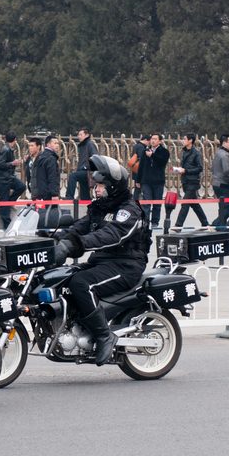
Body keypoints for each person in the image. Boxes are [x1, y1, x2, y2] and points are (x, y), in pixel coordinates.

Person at [54, 155, 148, 366]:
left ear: (113, 186)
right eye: (95, 186)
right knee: (63, 278)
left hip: (126, 264)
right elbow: (80, 227)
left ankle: (104, 335)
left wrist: (75, 245)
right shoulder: (100, 208)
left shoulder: (128, 210)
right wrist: (56, 239)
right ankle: (76, 326)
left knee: (81, 283)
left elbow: (113, 235)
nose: (96, 190)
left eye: (100, 186)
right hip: (103, 262)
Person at [174, 134, 209, 229]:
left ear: (190, 140)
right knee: (194, 204)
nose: (182, 140)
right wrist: (180, 170)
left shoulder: (196, 153)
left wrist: (186, 171)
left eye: (184, 138)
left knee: (185, 203)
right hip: (185, 181)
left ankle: (178, 226)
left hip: (193, 182)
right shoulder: (184, 151)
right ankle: (205, 223)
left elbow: (200, 168)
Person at [135, 133, 170, 229]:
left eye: (155, 139)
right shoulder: (145, 151)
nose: (153, 140)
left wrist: (152, 155)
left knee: (157, 203)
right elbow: (141, 166)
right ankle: (145, 221)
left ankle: (155, 222)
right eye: (152, 139)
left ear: (160, 141)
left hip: (158, 181)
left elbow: (162, 162)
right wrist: (138, 180)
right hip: (146, 181)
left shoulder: (164, 151)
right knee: (146, 202)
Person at [0, 132, 26, 228]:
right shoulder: (5, 150)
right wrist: (12, 163)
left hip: (8, 178)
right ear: (14, 140)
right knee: (4, 204)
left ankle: (10, 202)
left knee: (21, 186)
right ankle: (7, 225)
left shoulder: (9, 149)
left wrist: (17, 162)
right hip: (2, 180)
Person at [210, 134, 229, 231]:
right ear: (224, 143)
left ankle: (218, 226)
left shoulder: (218, 152)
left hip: (216, 182)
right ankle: (218, 225)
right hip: (223, 184)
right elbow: (227, 171)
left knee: (223, 207)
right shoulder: (225, 155)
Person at [65, 127, 97, 201]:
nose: (79, 136)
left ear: (86, 135)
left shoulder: (89, 144)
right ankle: (86, 202)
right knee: (84, 191)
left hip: (87, 171)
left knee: (73, 176)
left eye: (81, 134)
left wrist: (87, 167)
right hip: (83, 170)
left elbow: (95, 157)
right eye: (78, 135)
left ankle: (69, 197)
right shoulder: (83, 145)